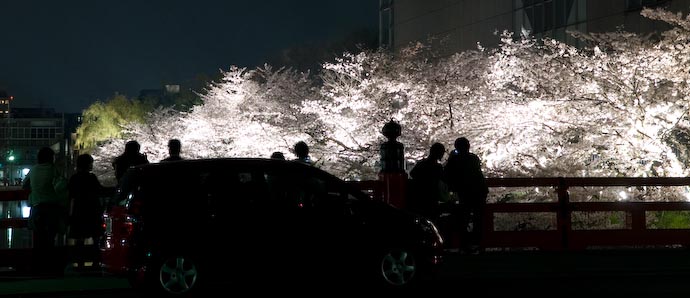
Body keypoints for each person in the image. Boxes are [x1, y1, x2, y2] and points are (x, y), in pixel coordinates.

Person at [23, 147, 69, 275]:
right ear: (51, 158)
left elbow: (24, 185)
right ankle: (51, 267)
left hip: (37, 207)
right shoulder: (53, 169)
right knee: (50, 238)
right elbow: (62, 184)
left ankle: (38, 267)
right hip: (52, 208)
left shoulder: (33, 170)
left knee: (39, 238)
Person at [66, 154, 113, 270]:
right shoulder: (91, 178)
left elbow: (70, 195)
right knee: (96, 237)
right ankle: (96, 262)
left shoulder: (74, 178)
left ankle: (79, 263)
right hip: (92, 211)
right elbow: (100, 191)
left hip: (78, 211)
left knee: (79, 239)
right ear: (87, 164)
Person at [444, 137, 488, 254]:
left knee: (464, 219)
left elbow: (446, 174)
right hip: (478, 192)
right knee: (478, 219)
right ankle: (478, 243)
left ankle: (465, 243)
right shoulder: (473, 158)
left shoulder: (455, 160)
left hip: (465, 193)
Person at [409, 142, 448, 221]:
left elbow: (412, 174)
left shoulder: (421, 163)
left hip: (419, 197)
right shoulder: (438, 167)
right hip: (431, 198)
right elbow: (445, 179)